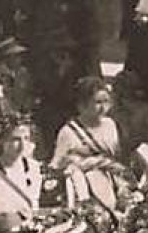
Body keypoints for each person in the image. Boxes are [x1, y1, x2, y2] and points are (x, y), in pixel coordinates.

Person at [52, 76, 126, 212]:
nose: (103, 107)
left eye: (106, 101)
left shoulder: (111, 125)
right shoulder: (68, 132)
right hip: (84, 192)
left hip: (110, 187)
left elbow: (116, 157)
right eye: (97, 102)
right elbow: (56, 166)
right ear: (82, 105)